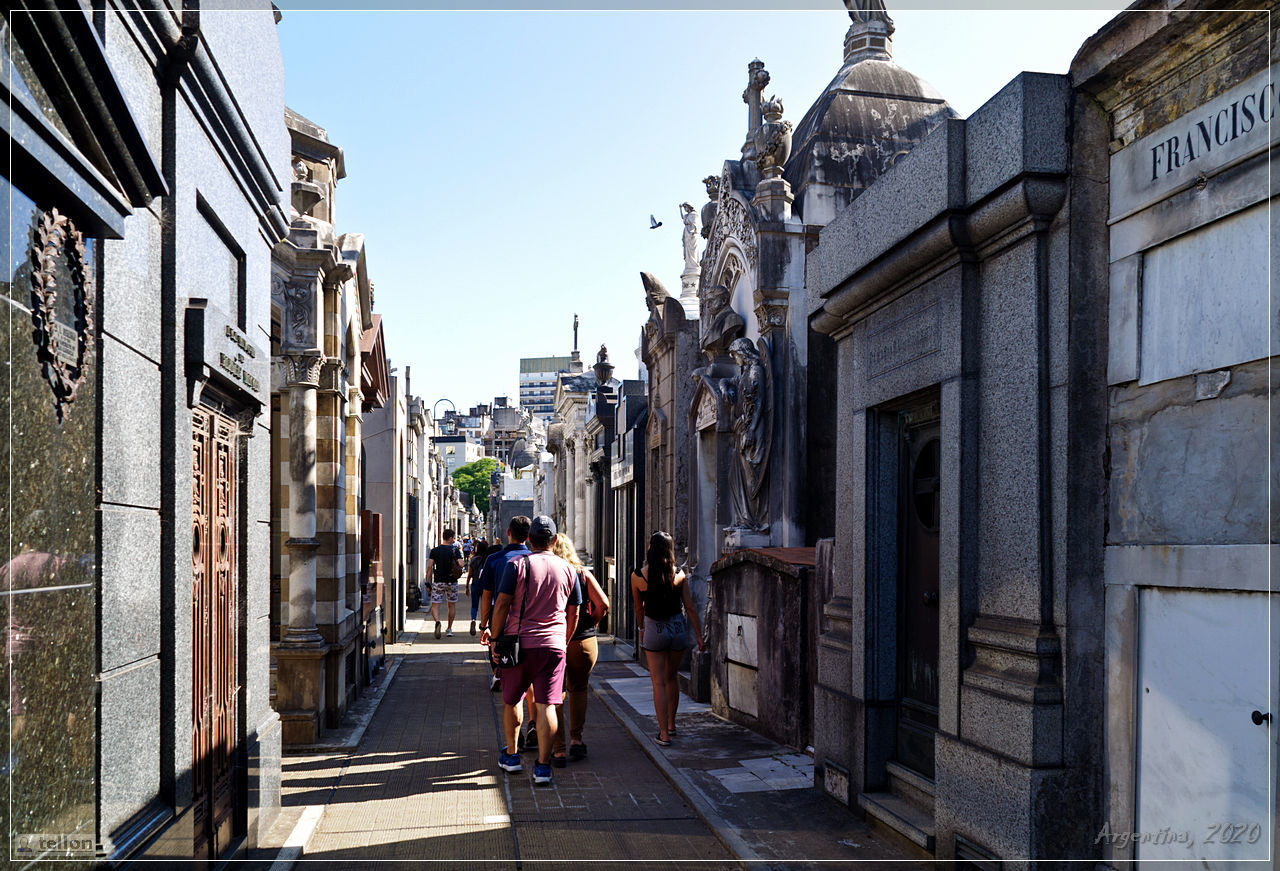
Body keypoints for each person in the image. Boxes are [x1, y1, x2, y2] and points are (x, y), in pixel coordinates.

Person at [490, 515, 580, 786]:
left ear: (529, 539)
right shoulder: (568, 569)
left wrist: (496, 639)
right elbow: (573, 611)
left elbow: (503, 604)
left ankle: (512, 756)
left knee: (512, 700)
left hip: (519, 644)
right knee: (546, 705)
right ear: (554, 539)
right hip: (552, 646)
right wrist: (563, 640)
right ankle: (543, 766)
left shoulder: (518, 565)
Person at [631, 531, 705, 747]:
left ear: (650, 549)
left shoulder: (638, 576)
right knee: (672, 678)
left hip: (655, 628)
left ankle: (662, 734)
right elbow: (690, 608)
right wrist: (699, 637)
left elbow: (638, 607)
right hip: (678, 629)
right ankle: (672, 725)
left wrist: (641, 628)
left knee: (658, 682)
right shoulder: (680, 574)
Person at [549, 533, 608, 767]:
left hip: (555, 639)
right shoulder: (582, 573)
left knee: (555, 693)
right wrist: (590, 623)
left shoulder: (549, 573)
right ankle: (576, 739)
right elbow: (603, 603)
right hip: (583, 640)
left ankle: (558, 749)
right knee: (579, 689)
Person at [424, 528, 464, 639]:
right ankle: (449, 629)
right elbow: (461, 564)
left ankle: (437, 621)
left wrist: (427, 582)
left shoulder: (435, 550)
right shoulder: (455, 550)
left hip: (438, 581)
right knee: (451, 605)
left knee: (435, 605)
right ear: (450, 538)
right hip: (452, 581)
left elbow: (429, 567)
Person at [465, 538, 490, 636]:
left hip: (475, 583)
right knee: (485, 605)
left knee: (474, 605)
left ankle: (473, 619)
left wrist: (467, 586)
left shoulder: (473, 559)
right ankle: (484, 623)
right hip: (485, 585)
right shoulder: (488, 559)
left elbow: (469, 574)